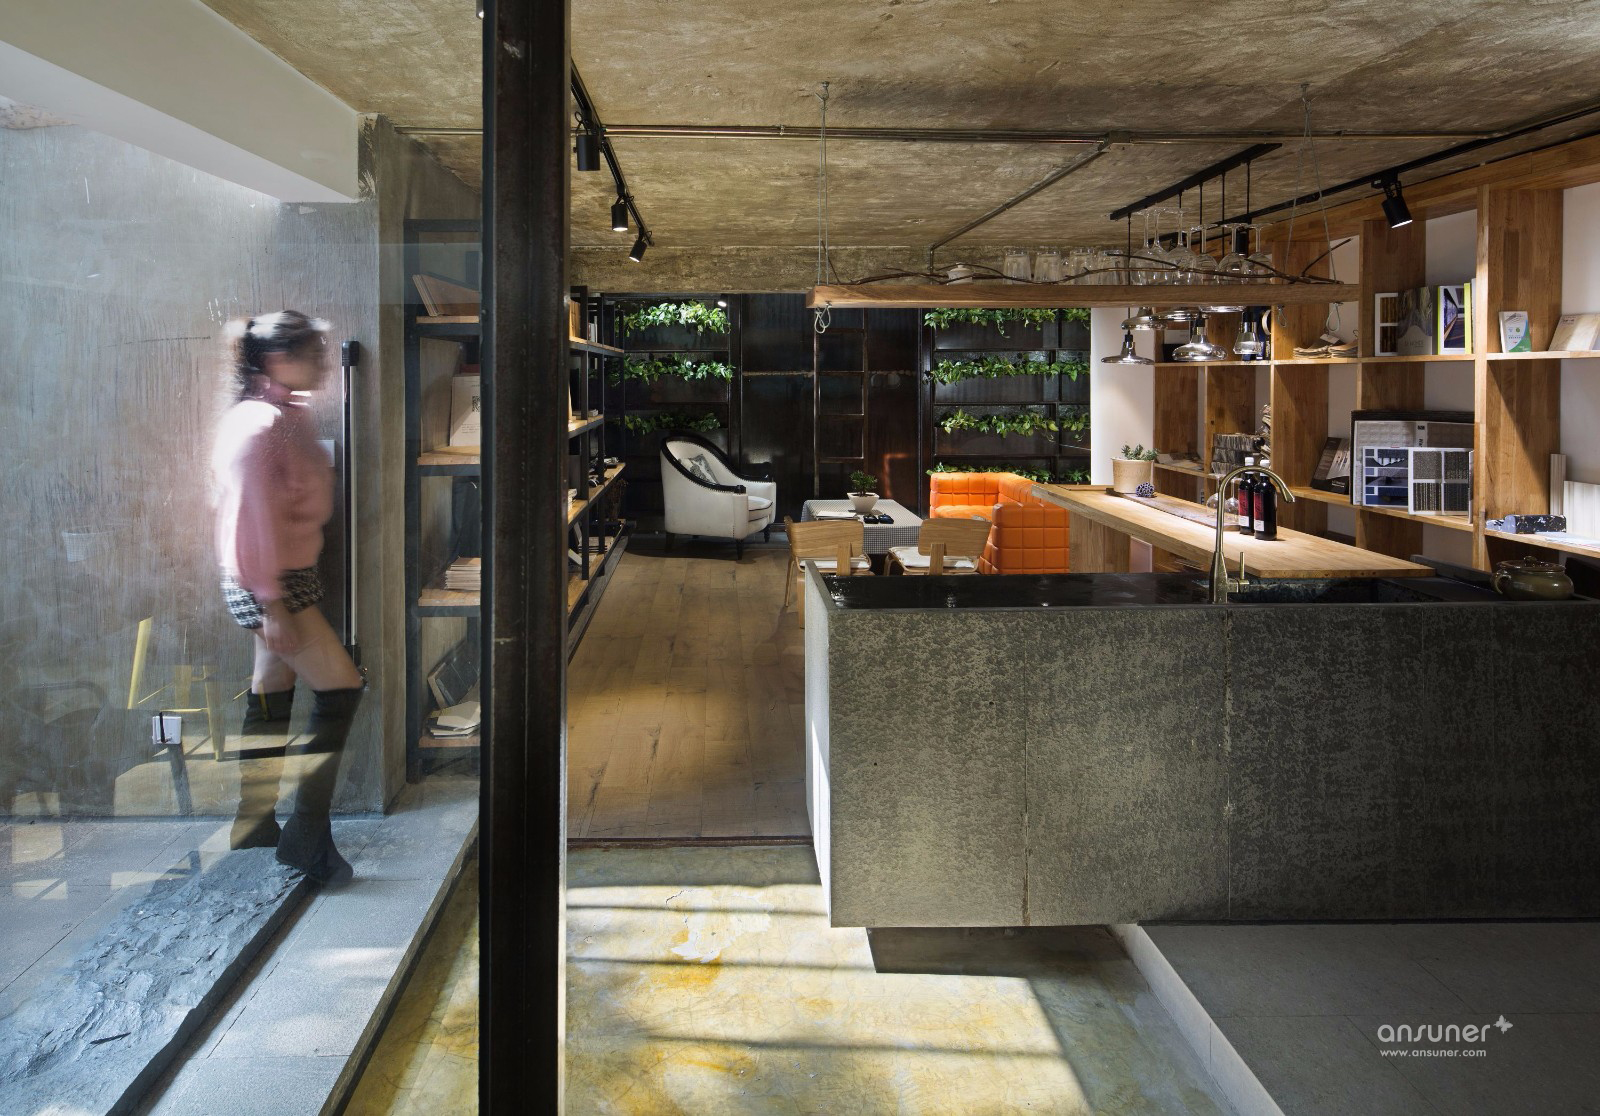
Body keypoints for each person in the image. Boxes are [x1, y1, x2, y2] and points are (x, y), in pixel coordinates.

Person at [212, 311, 363, 885]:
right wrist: (272, 604)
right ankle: (306, 836)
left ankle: (253, 822)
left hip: (283, 576)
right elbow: (250, 524)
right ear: (279, 359)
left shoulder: (282, 416)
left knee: (272, 688)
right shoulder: (259, 425)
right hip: (271, 582)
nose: (323, 362)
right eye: (313, 353)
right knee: (342, 688)